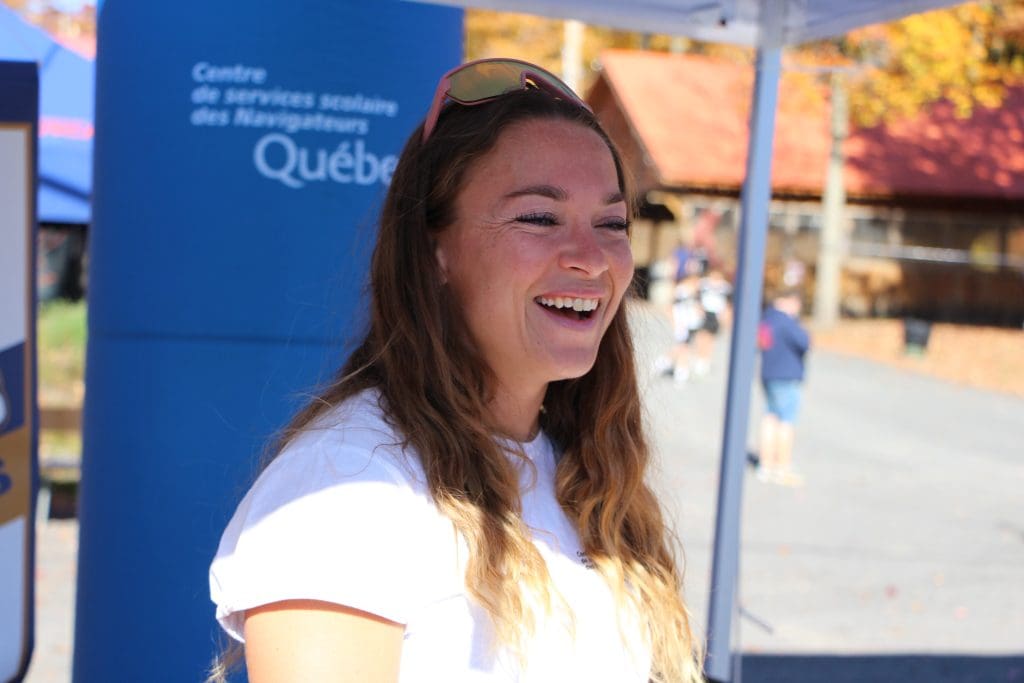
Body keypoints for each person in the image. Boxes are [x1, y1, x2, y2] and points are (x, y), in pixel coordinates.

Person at [207, 58, 703, 683]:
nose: (592, 258)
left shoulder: (583, 464)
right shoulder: (349, 481)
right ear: (435, 250)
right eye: (539, 217)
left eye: (611, 223)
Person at [757, 289, 811, 486]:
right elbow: (805, 342)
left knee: (770, 417)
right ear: (789, 301)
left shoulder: (766, 319)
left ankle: (766, 464)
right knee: (786, 421)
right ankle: (782, 466)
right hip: (786, 376)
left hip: (768, 373)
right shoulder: (787, 322)